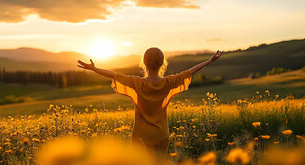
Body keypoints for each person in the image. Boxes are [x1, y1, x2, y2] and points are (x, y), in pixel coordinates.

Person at [77, 48, 223, 154]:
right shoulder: (168, 83)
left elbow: (114, 75)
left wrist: (95, 69)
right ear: (162, 64)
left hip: (142, 136)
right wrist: (210, 60)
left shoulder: (137, 83)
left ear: (144, 63)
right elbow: (191, 71)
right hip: (162, 134)